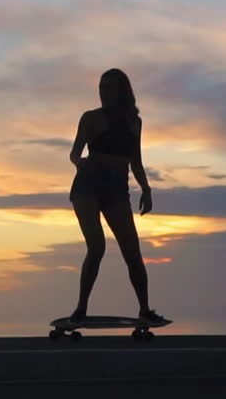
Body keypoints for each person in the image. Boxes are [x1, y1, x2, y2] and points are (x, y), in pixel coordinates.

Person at [66, 68, 168, 325]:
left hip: (117, 191)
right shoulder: (90, 118)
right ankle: (80, 309)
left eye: (110, 87)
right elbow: (75, 152)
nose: (104, 92)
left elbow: (136, 161)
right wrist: (79, 162)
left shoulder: (135, 122)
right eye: (101, 87)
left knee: (132, 252)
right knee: (97, 247)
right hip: (87, 186)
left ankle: (144, 309)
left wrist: (146, 189)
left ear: (122, 91)